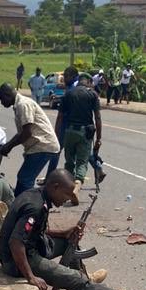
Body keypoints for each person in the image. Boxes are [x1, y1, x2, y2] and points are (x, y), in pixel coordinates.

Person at [0, 169, 146, 290]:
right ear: (55, 187)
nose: (69, 199)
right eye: (67, 194)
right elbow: (16, 242)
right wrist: (31, 277)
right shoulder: (34, 206)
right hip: (16, 261)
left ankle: (84, 280)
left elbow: (35, 232)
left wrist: (64, 233)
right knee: (74, 279)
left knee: (69, 241)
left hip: (30, 248)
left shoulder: (39, 195)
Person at [0, 83, 61, 196]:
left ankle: (26, 205)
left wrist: (8, 147)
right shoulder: (19, 104)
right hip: (38, 145)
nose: (2, 103)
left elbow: (26, 133)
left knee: (25, 178)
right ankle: (19, 201)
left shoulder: (23, 104)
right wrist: (6, 147)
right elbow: (22, 132)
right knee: (24, 177)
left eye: (2, 99)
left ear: (7, 95)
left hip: (43, 145)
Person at [54, 65, 102, 205]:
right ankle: (76, 188)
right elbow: (97, 118)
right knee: (82, 162)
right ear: (87, 82)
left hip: (69, 131)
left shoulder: (68, 93)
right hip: (85, 132)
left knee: (69, 161)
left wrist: (57, 135)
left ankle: (67, 187)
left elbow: (60, 117)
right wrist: (99, 138)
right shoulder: (92, 95)